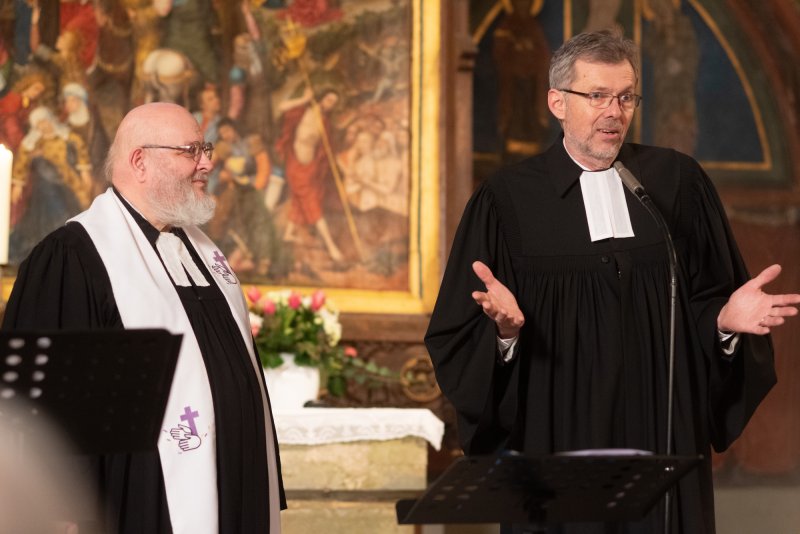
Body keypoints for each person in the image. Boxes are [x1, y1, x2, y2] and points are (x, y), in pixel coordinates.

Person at [425, 30, 800, 534]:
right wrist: (505, 335)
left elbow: (703, 302)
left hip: (661, 436)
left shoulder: (676, 183)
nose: (614, 112)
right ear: (557, 102)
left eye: (626, 97)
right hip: (556, 445)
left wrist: (723, 323)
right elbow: (455, 336)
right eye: (597, 95)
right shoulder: (506, 201)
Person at [2, 102, 285, 533]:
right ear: (140, 161)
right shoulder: (73, 256)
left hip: (235, 490)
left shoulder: (201, 253)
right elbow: (43, 415)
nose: (207, 163)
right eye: (190, 151)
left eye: (205, 149)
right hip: (139, 503)